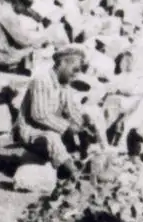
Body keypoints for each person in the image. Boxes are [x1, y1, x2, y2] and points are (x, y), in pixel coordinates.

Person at [15, 46, 96, 176]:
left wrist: (84, 126)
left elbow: (71, 110)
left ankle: (77, 162)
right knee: (52, 138)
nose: (76, 74)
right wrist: (68, 127)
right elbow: (39, 115)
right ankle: (73, 171)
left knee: (82, 135)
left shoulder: (65, 85)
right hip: (30, 131)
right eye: (74, 69)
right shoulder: (41, 81)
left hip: (52, 128)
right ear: (62, 63)